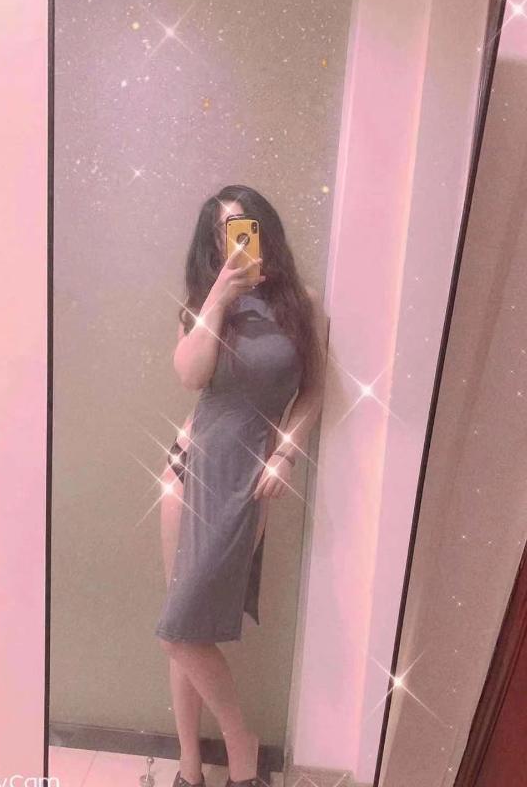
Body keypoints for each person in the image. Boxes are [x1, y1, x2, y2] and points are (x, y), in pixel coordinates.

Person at [156, 185, 328, 787]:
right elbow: (190, 376)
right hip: (187, 468)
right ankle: (191, 768)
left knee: (186, 626)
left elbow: (313, 390)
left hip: (246, 476)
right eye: (222, 231)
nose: (235, 241)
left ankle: (240, 744)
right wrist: (218, 300)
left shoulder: (302, 305)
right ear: (212, 242)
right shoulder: (204, 304)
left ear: (264, 229)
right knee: (181, 624)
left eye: (244, 226)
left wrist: (285, 454)